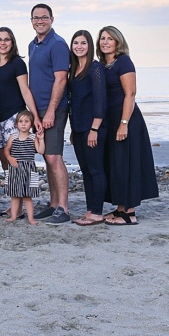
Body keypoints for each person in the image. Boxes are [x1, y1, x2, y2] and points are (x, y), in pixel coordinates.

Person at [97, 26, 158, 225]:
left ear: (118, 42)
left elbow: (130, 94)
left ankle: (129, 213)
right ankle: (120, 208)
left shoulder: (123, 61)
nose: (105, 42)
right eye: (102, 38)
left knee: (126, 163)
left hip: (126, 118)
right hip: (110, 119)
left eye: (110, 38)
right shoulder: (103, 64)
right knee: (116, 164)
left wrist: (124, 124)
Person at [27, 3, 71, 225]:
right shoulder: (33, 45)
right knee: (46, 157)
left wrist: (51, 111)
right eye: (36, 18)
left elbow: (61, 79)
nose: (40, 21)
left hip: (54, 109)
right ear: (31, 21)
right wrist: (35, 113)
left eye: (44, 17)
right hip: (39, 110)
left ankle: (63, 208)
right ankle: (53, 204)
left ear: (52, 19)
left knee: (54, 157)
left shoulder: (58, 44)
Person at [0, 26, 41, 172]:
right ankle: (11, 187)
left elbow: (25, 91)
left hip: (14, 116)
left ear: (12, 43)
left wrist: (35, 116)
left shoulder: (17, 63)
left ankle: (25, 186)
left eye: (7, 40)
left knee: (18, 160)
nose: (3, 43)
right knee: (5, 161)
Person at [68, 29, 107, 227]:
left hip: (93, 128)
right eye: (76, 43)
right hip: (78, 128)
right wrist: (74, 130)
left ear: (90, 46)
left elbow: (100, 101)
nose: (79, 46)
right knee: (85, 171)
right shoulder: (74, 69)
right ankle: (90, 211)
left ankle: (97, 213)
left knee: (96, 170)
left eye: (83, 43)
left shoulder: (95, 68)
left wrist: (94, 129)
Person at [4, 110, 43, 226]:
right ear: (16, 124)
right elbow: (6, 150)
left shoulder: (33, 137)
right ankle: (13, 216)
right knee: (15, 195)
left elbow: (41, 151)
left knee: (27, 196)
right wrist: (9, 158)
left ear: (31, 124)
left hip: (29, 169)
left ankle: (31, 218)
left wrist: (41, 139)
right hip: (15, 168)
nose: (23, 124)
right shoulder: (13, 137)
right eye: (21, 121)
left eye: (26, 121)